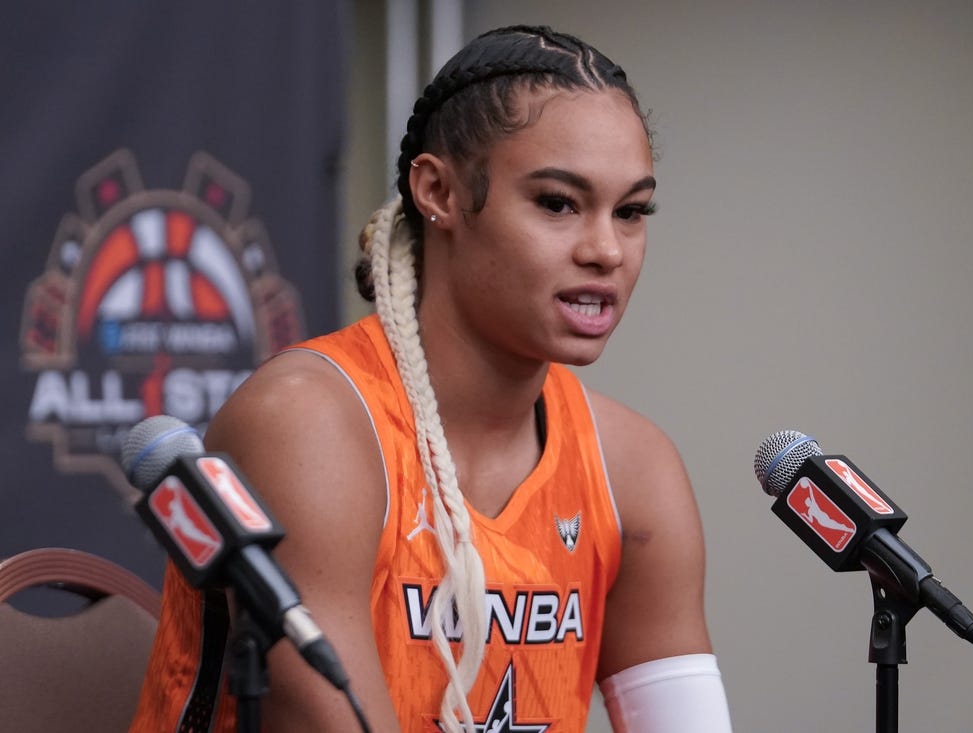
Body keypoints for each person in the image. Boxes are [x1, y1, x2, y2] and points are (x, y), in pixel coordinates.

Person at [130, 24, 733, 733]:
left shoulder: (633, 470)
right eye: (558, 203)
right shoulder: (309, 424)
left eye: (631, 212)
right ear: (437, 190)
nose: (606, 249)